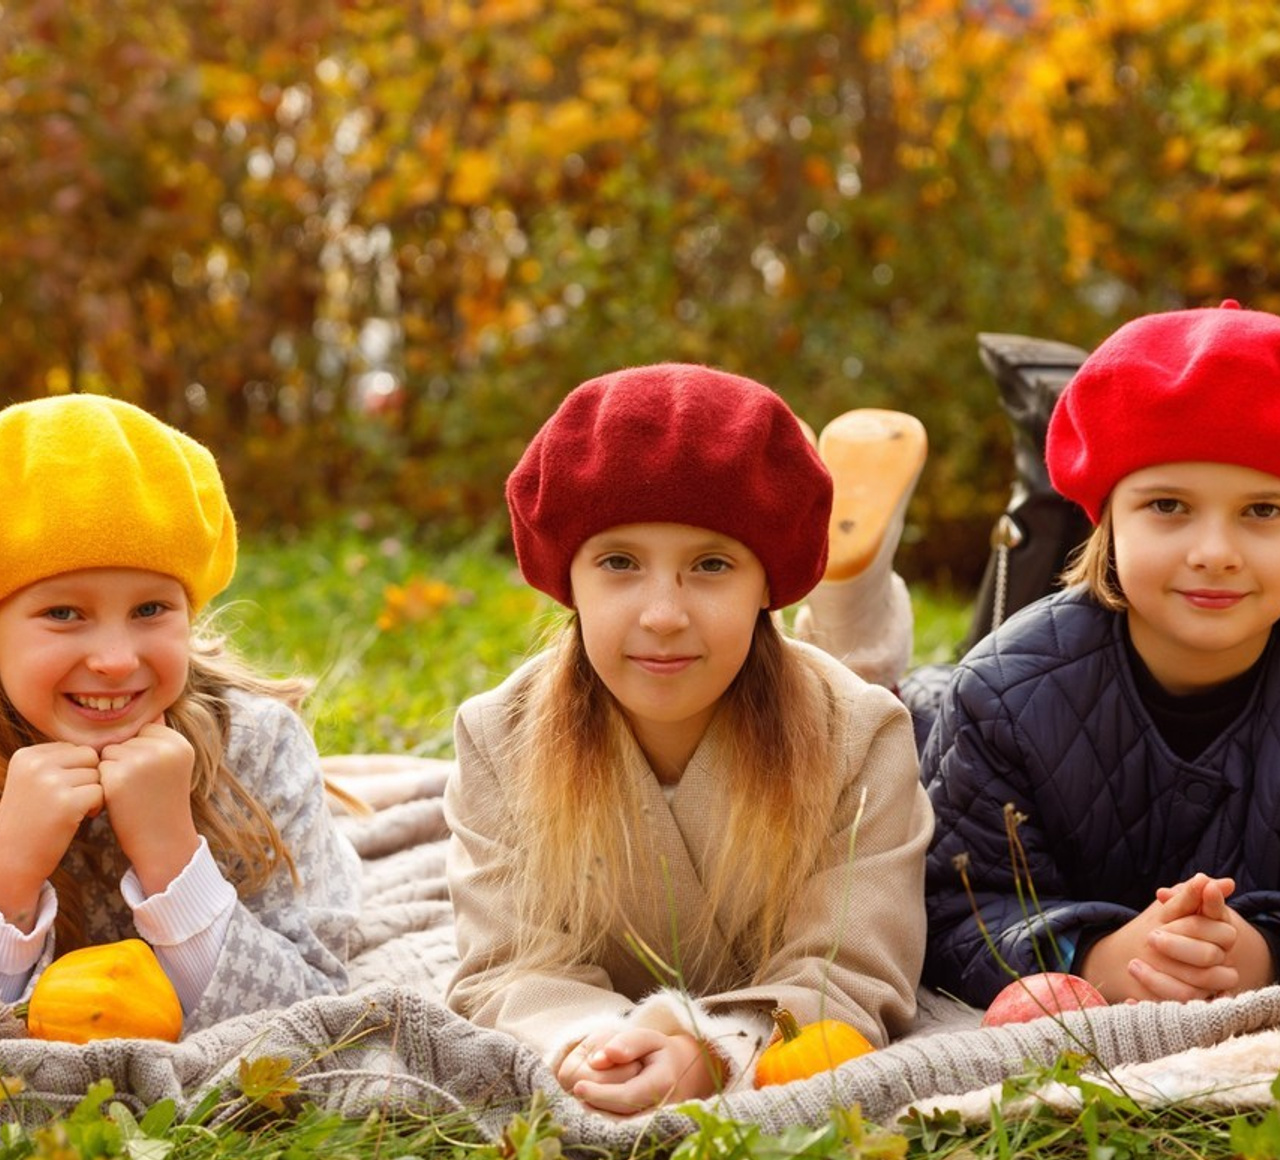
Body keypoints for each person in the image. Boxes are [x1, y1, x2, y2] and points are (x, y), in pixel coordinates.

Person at [444, 363, 932, 1116]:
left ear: (766, 581)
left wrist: (712, 1047)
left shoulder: (861, 735)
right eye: (619, 563)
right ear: (567, 579)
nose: (663, 613)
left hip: (855, 703)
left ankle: (857, 612)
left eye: (711, 565)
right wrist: (594, 1041)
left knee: (886, 679)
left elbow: (853, 967)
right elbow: (508, 963)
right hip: (602, 1038)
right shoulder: (497, 737)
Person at [922, 301, 1280, 1010]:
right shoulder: (999, 698)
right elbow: (950, 904)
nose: (1215, 553)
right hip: (932, 719)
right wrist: (1097, 958)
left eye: (1265, 510)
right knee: (887, 703)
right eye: (1169, 506)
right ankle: (855, 604)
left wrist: (1264, 953)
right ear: (1107, 515)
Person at [0, 394, 362, 1034]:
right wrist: (10, 876)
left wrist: (172, 855)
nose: (115, 659)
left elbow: (320, 1015)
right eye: (63, 613)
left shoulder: (256, 746)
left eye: (150, 610)